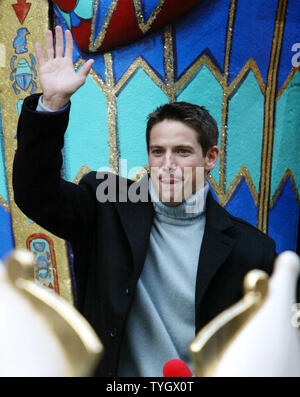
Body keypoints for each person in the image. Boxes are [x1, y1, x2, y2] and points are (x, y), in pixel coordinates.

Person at [12, 26, 276, 377]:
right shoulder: (107, 207)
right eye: (158, 151)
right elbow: (36, 194)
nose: (167, 164)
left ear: (210, 157)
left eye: (182, 152)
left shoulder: (252, 250)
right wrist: (53, 106)